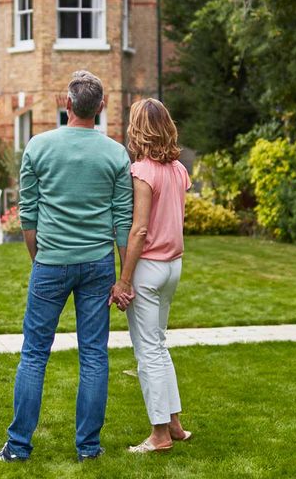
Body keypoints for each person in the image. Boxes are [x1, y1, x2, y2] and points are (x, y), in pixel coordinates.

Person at [0, 70, 133, 463]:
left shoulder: (38, 146)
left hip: (51, 263)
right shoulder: (115, 153)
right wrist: (124, 276)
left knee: (35, 353)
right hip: (97, 264)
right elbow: (123, 220)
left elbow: (29, 215)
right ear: (100, 108)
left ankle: (18, 447)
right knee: (94, 355)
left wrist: (39, 258)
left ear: (66, 104)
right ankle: (88, 448)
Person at [110, 97, 192, 454]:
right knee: (159, 345)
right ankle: (174, 424)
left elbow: (139, 230)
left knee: (148, 353)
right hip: (173, 266)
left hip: (149, 269)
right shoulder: (178, 170)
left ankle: (159, 434)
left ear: (138, 129)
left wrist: (124, 280)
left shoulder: (142, 171)